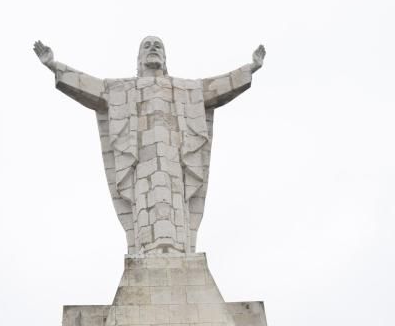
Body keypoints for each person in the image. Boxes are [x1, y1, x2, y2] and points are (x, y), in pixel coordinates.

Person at [33, 37, 265, 256]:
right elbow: (91, 87)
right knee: (144, 205)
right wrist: (54, 66)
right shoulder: (123, 88)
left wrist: (250, 68)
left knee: (176, 204)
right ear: (139, 59)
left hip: (176, 165)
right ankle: (146, 252)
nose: (153, 48)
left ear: (165, 59)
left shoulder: (185, 88)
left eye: (158, 46)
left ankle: (179, 253)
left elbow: (218, 87)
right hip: (141, 167)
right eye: (147, 46)